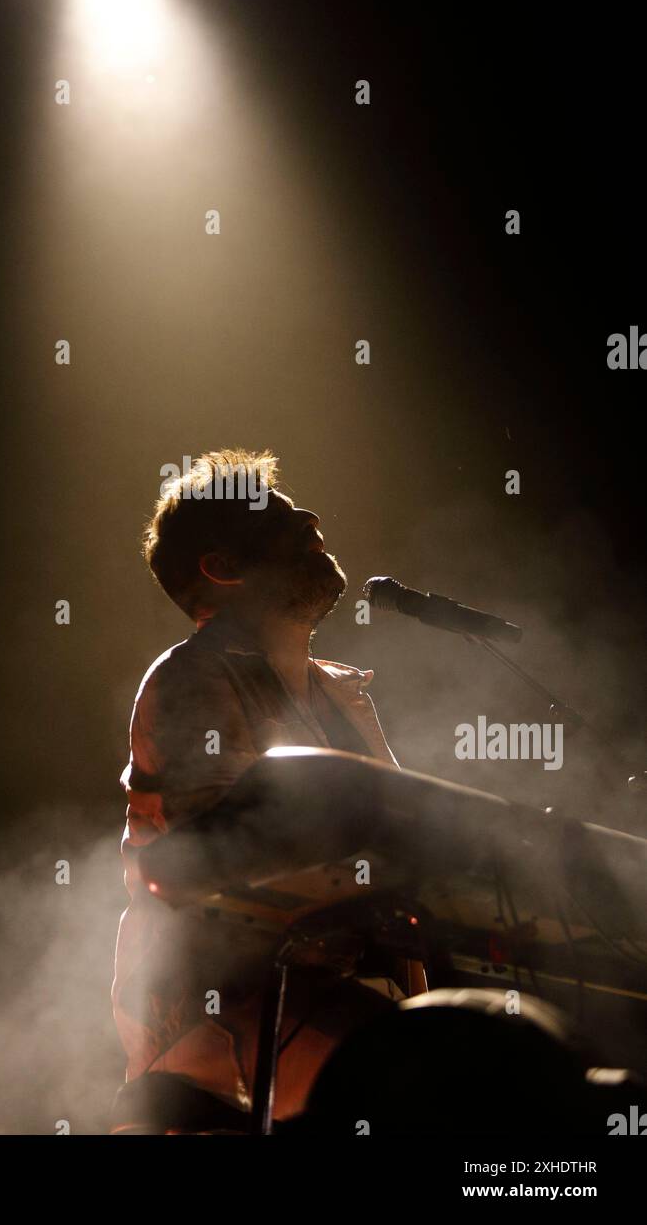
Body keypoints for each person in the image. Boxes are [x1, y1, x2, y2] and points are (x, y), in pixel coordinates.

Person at [110, 449, 423, 1130]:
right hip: (231, 1015)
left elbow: (403, 835)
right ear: (222, 568)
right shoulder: (191, 678)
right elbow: (222, 864)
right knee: (437, 1072)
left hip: (335, 1002)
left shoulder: (339, 692)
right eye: (279, 516)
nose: (311, 515)